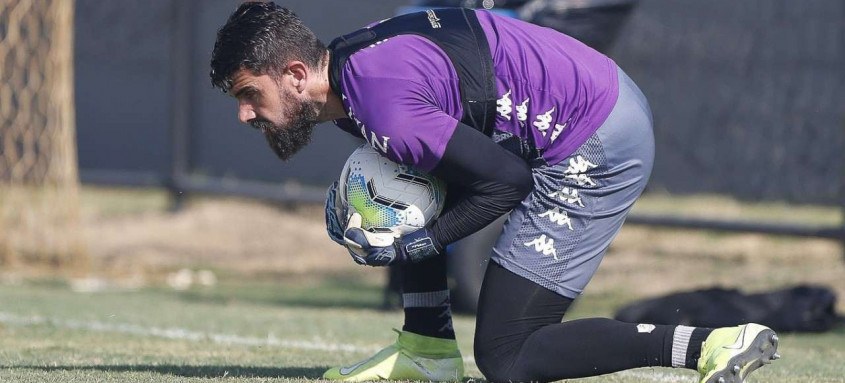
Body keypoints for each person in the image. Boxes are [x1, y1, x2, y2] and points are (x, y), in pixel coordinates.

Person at [209, 2, 780, 382]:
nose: (243, 114)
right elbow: (430, 175)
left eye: (248, 93)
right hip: (589, 100)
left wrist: (415, 244)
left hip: (597, 136)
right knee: (405, 195)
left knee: (507, 355)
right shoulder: (354, 76)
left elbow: (505, 183)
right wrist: (411, 233)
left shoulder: (380, 104)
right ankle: (426, 350)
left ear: (292, 73)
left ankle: (712, 343)